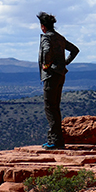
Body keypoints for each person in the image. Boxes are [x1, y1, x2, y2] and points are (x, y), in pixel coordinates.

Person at [37, 11, 79, 149]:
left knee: (50, 107)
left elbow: (47, 51)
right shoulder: (60, 37)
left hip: (50, 76)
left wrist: (46, 65)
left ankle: (55, 141)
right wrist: (64, 63)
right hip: (60, 75)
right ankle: (57, 140)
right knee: (55, 107)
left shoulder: (46, 38)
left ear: (43, 26)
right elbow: (74, 50)